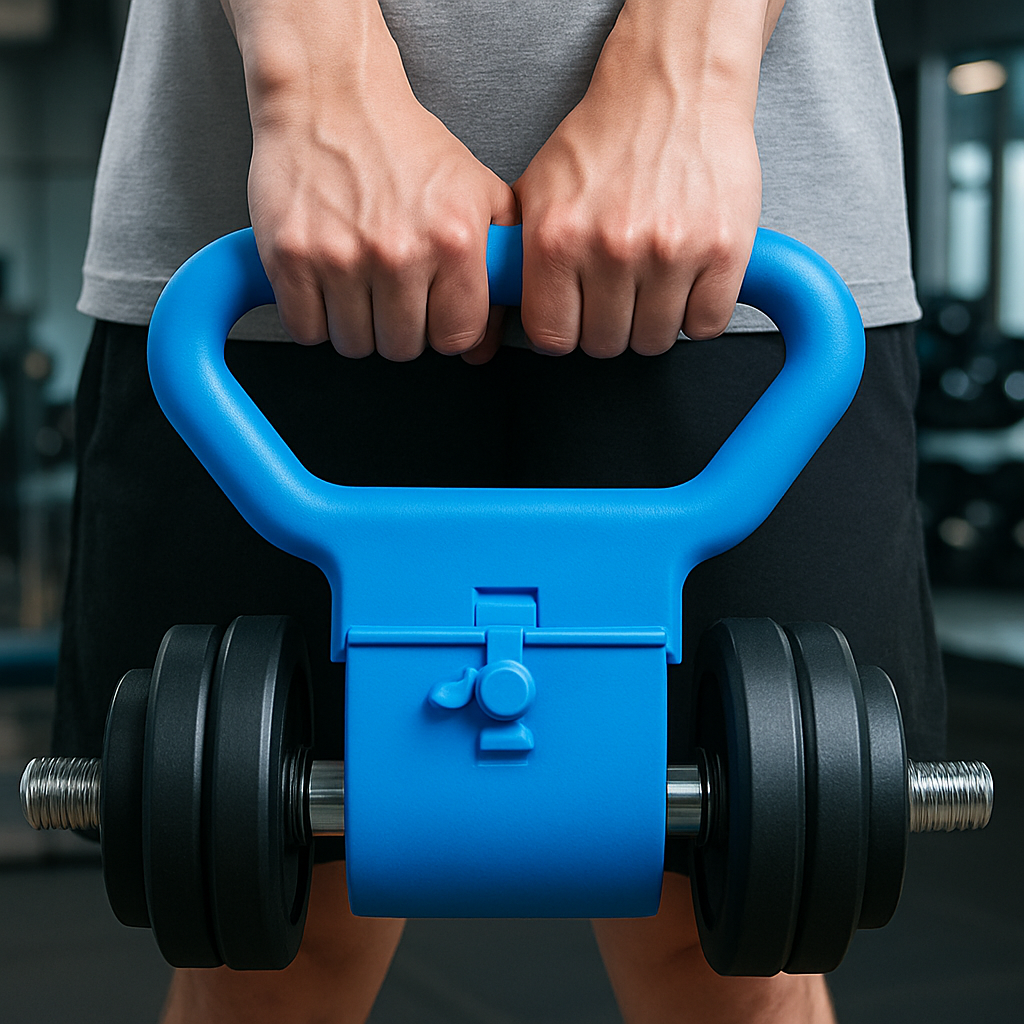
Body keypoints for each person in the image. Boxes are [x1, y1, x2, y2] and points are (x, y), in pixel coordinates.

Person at [54, 1, 945, 1022]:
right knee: (262, 938)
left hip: (728, 241)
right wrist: (317, 85)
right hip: (275, 238)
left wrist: (687, 73)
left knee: (734, 945)